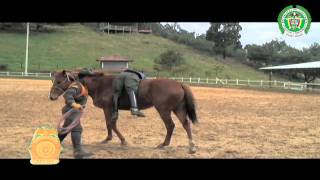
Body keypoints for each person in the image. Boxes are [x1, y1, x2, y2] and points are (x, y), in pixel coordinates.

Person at [57, 68, 94, 159]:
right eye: (90, 78)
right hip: (71, 110)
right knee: (77, 128)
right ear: (84, 78)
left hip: (74, 111)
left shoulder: (83, 86)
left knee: (67, 128)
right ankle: (78, 151)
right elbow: (68, 95)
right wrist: (74, 104)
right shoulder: (77, 86)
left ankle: (55, 143)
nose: (91, 80)